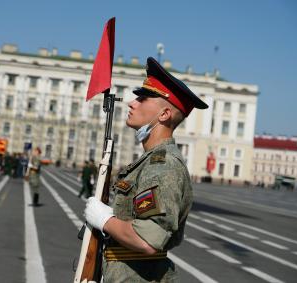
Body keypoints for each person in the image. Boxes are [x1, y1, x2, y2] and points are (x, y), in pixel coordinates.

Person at [84, 57, 208, 282]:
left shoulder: (163, 165)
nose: (132, 103)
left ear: (164, 114)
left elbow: (147, 239)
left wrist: (104, 220)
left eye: (142, 98)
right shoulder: (150, 161)